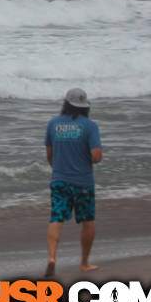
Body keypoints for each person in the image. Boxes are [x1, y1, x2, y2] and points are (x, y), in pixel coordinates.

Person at [43, 87, 102, 277]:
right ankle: (84, 263)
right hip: (83, 182)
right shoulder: (90, 126)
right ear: (85, 106)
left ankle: (52, 257)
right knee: (87, 221)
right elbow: (96, 156)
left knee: (57, 218)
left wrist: (61, 169)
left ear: (66, 104)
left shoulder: (53, 124)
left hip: (59, 180)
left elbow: (50, 156)